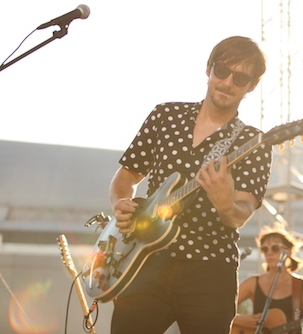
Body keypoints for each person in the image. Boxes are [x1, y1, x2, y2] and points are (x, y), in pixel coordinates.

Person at [109, 36, 273, 334]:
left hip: (209, 269)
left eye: (241, 77)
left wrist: (225, 203)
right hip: (145, 261)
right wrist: (120, 202)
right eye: (222, 70)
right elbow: (126, 176)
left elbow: (242, 211)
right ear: (209, 69)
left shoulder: (254, 143)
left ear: (251, 86)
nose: (227, 82)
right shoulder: (165, 116)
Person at [232, 223, 303, 333]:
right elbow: (222, 308)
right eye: (264, 249)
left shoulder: (302, 285)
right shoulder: (253, 282)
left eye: (275, 248)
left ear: (289, 251)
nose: (269, 253)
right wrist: (239, 319)